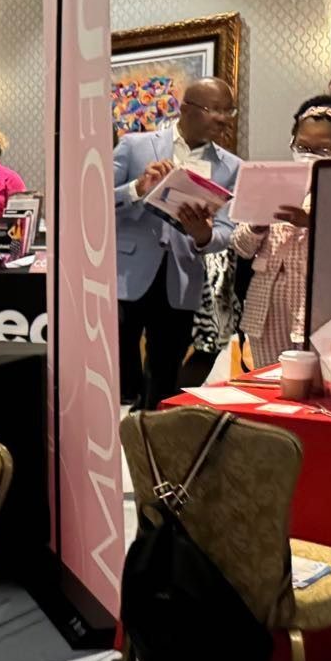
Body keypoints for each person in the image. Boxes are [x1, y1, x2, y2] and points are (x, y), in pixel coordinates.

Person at [114, 76, 240, 410]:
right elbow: (93, 205)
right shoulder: (134, 146)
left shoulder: (231, 167)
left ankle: (153, 445)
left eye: (229, 111)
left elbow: (227, 232)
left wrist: (203, 235)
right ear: (186, 109)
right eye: (215, 109)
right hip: (125, 276)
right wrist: (136, 190)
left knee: (166, 375)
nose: (224, 118)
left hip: (182, 278)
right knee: (116, 372)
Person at [233, 93, 331, 364]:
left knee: (321, 390)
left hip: (320, 310)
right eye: (302, 146)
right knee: (270, 387)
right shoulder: (270, 180)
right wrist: (258, 224)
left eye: (322, 149)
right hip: (266, 311)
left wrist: (313, 223)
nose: (309, 155)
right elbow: (242, 248)